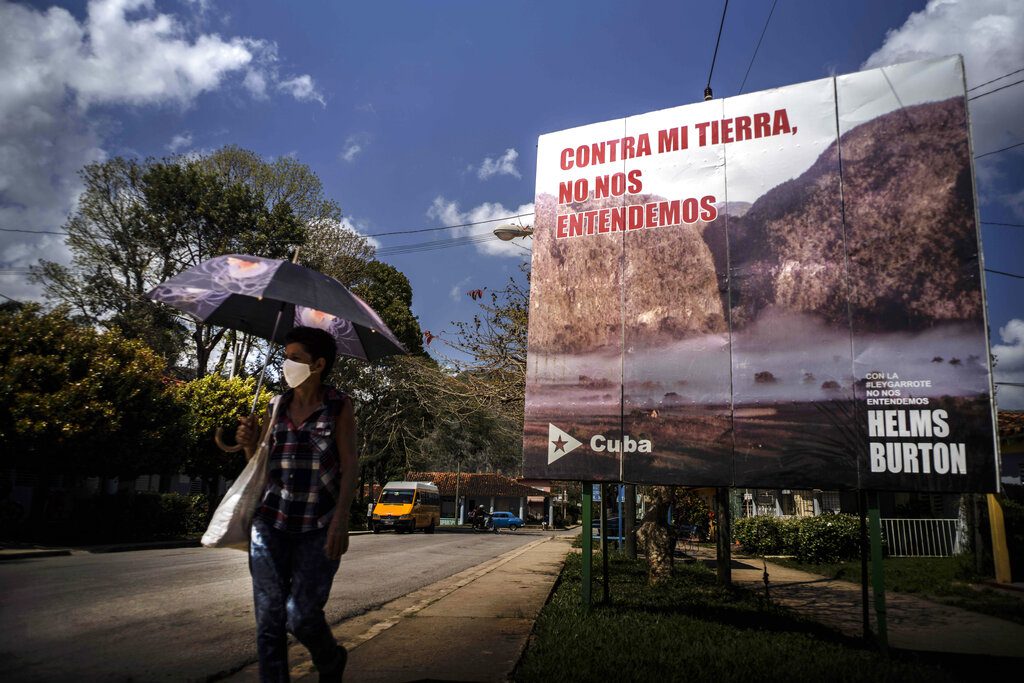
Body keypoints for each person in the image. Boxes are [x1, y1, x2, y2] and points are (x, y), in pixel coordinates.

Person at [236, 326, 357, 683]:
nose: (286, 364)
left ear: (318, 364)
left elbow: (350, 464)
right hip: (270, 522)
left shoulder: (338, 405)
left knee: (301, 617)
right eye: (285, 357)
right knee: (269, 620)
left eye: (295, 358)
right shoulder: (276, 405)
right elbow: (258, 466)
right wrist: (248, 441)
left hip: (317, 527)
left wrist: (341, 518)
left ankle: (330, 659)